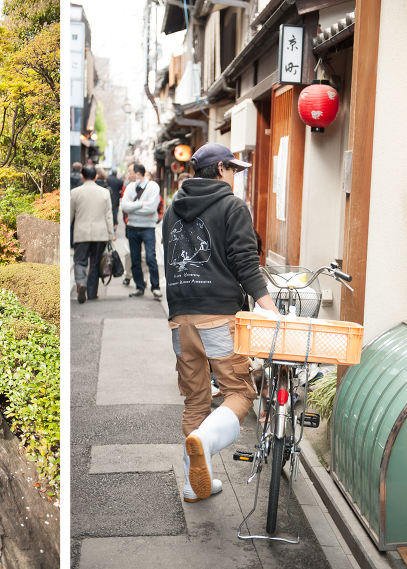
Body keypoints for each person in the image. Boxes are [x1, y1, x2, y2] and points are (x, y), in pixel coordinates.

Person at [162, 142, 279, 503]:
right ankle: (206, 442)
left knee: (196, 400)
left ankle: (193, 482)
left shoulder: (171, 210)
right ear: (221, 170)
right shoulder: (232, 206)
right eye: (233, 170)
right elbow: (245, 262)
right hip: (218, 316)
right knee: (240, 392)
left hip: (180, 319)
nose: (235, 178)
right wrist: (270, 309)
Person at [71, 165, 114, 303]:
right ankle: (91, 292)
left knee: (80, 261)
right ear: (96, 177)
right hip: (99, 233)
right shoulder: (104, 192)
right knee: (95, 263)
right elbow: (109, 216)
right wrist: (110, 235)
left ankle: (81, 283)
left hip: (81, 233)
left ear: (82, 176)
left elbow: (69, 216)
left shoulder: (75, 192)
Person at [121, 163, 162, 299]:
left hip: (148, 227)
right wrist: (140, 205)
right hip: (132, 227)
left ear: (138, 174)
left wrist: (133, 208)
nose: (128, 175)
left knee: (151, 257)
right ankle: (140, 287)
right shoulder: (130, 187)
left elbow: (151, 208)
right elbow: (124, 207)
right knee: (135, 259)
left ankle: (155, 287)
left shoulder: (153, 187)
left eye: (130, 172)